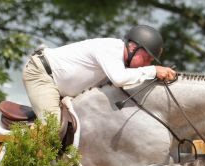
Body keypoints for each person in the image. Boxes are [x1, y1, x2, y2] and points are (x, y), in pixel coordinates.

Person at [23, 25, 176, 121]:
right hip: (41, 74)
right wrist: (153, 70)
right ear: (132, 47)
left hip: (57, 82)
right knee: (53, 129)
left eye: (151, 61)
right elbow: (120, 79)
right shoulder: (111, 48)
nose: (148, 63)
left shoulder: (120, 62)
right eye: (147, 57)